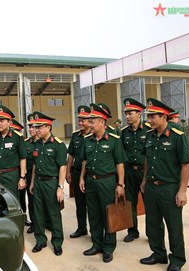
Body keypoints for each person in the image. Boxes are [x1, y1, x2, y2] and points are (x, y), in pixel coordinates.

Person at [139, 98, 189, 271]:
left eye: (153, 116)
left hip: (169, 188)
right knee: (152, 223)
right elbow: (147, 159)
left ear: (164, 117)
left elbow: (185, 165)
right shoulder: (149, 135)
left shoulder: (177, 136)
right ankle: (158, 253)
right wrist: (145, 180)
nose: (150, 120)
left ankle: (176, 260)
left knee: (174, 226)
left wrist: (182, 191)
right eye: (149, 116)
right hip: (152, 187)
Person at [79, 103, 125, 263]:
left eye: (92, 121)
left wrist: (120, 184)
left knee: (108, 214)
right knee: (94, 214)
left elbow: (120, 163)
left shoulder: (114, 140)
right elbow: (84, 161)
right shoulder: (88, 140)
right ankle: (96, 244)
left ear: (102, 122)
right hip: (91, 181)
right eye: (88, 121)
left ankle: (108, 247)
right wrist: (81, 178)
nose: (89, 124)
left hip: (107, 181)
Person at [29, 112, 66, 256]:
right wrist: (32, 182)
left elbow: (62, 167)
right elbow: (34, 166)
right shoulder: (36, 144)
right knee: (38, 213)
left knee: (54, 213)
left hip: (51, 183)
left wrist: (60, 187)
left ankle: (57, 242)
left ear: (48, 127)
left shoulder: (58, 145)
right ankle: (40, 240)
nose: (36, 130)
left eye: (39, 127)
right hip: (38, 182)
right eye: (35, 127)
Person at [120, 98, 150, 243]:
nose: (127, 116)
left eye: (130, 113)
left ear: (139, 113)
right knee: (130, 203)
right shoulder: (123, 132)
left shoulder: (149, 130)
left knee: (149, 204)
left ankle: (152, 233)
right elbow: (120, 154)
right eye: (126, 113)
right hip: (129, 171)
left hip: (145, 171)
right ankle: (132, 231)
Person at [0, 105, 27, 199]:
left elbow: (22, 158)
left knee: (12, 202)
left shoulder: (17, 137)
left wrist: (22, 178)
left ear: (9, 122)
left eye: (2, 121)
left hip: (11, 177)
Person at [66, 105, 91, 239]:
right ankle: (82, 228)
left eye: (83, 120)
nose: (80, 123)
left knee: (92, 204)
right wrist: (68, 171)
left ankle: (95, 230)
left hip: (90, 174)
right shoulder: (76, 136)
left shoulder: (93, 135)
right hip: (76, 173)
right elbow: (71, 155)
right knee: (79, 203)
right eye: (79, 120)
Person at [25, 114, 39, 234]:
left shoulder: (43, 142)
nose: (30, 129)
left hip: (43, 176)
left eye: (33, 127)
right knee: (32, 201)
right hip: (30, 175)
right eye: (29, 126)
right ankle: (34, 223)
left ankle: (47, 222)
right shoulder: (26, 143)